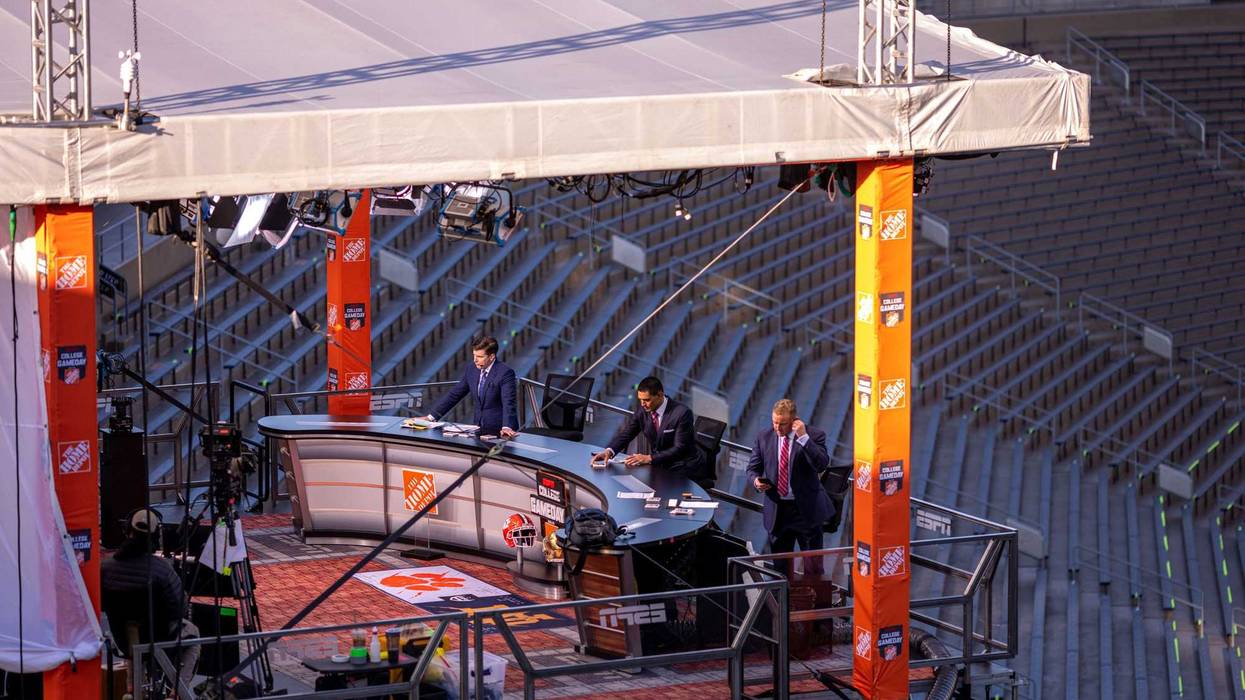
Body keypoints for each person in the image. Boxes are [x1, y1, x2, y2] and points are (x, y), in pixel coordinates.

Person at [101, 508, 199, 688]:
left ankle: (133, 688)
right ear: (155, 536)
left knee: (132, 635)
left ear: (127, 531)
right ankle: (176, 694)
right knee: (193, 634)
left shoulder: (105, 567)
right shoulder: (162, 570)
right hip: (158, 639)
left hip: (123, 641)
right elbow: (180, 608)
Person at [746, 399, 833, 574]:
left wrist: (804, 438)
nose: (777, 428)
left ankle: (814, 601)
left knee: (813, 568)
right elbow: (752, 469)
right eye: (774, 422)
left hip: (805, 512)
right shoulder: (764, 437)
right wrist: (756, 480)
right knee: (781, 570)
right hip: (778, 512)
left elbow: (821, 464)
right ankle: (783, 601)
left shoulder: (814, 436)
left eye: (782, 424)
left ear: (794, 421)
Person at [591, 376, 705, 479]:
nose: (642, 404)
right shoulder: (643, 411)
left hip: (681, 466)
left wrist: (649, 458)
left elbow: (680, 448)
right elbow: (627, 433)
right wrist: (609, 451)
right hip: (660, 465)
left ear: (660, 395)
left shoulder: (682, 413)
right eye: (640, 400)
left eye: (646, 400)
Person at [425, 336, 518, 437]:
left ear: (492, 357)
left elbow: (508, 402)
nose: (475, 360)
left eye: (480, 357)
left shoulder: (505, 373)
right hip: (478, 428)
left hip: (500, 431)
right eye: (474, 355)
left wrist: (507, 426)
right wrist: (431, 417)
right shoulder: (472, 369)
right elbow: (455, 394)